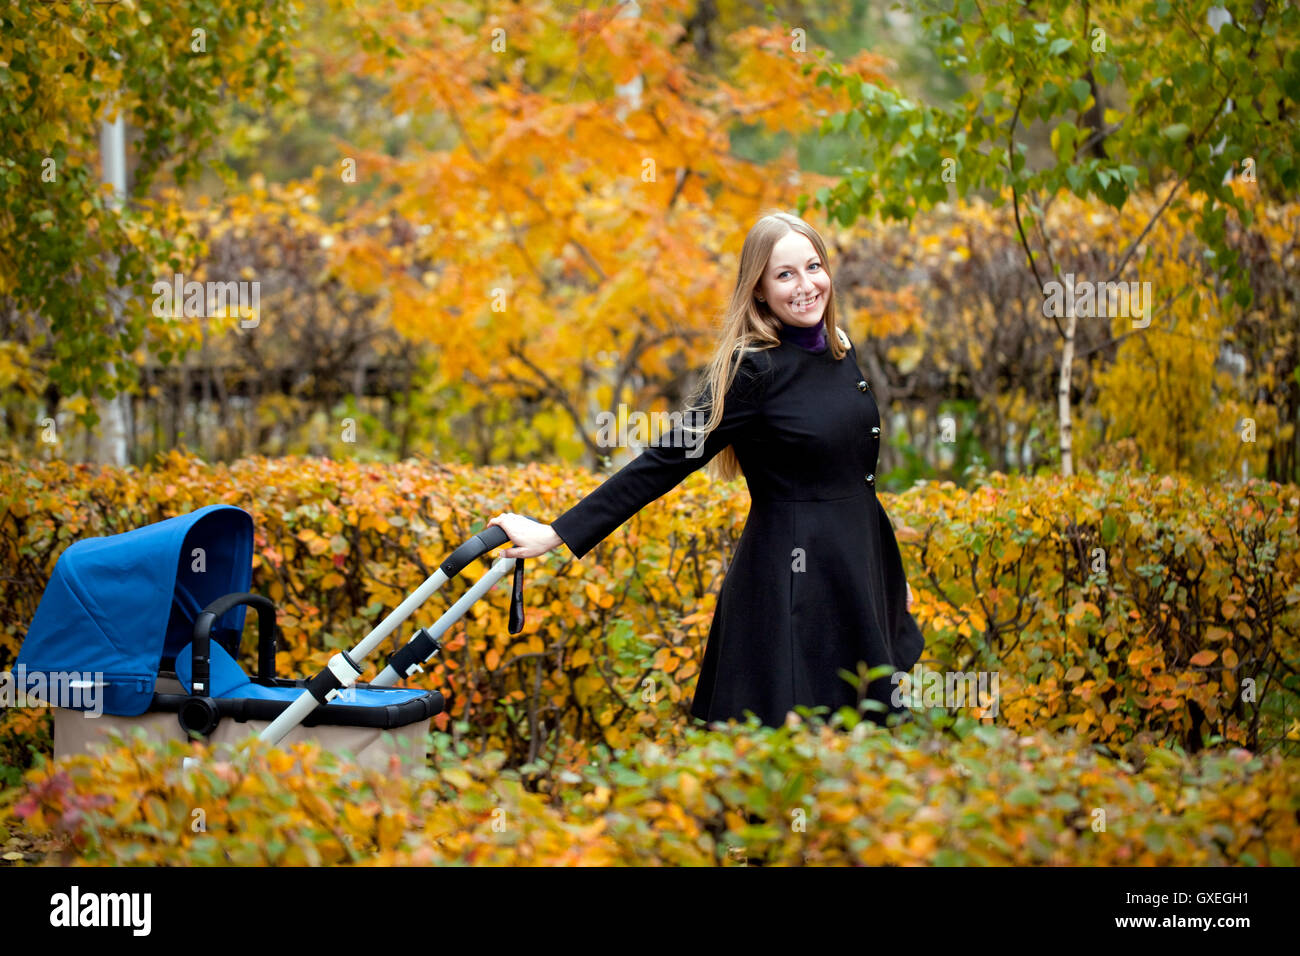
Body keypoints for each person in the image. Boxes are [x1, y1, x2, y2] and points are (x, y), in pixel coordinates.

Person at [487, 211, 925, 729]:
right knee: (795, 755)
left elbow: (852, 480)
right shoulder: (752, 369)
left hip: (857, 578)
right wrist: (557, 533)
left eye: (813, 266)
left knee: (863, 762)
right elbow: (663, 461)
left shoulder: (840, 351)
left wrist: (886, 575)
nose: (806, 285)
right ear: (758, 289)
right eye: (785, 274)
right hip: (794, 591)